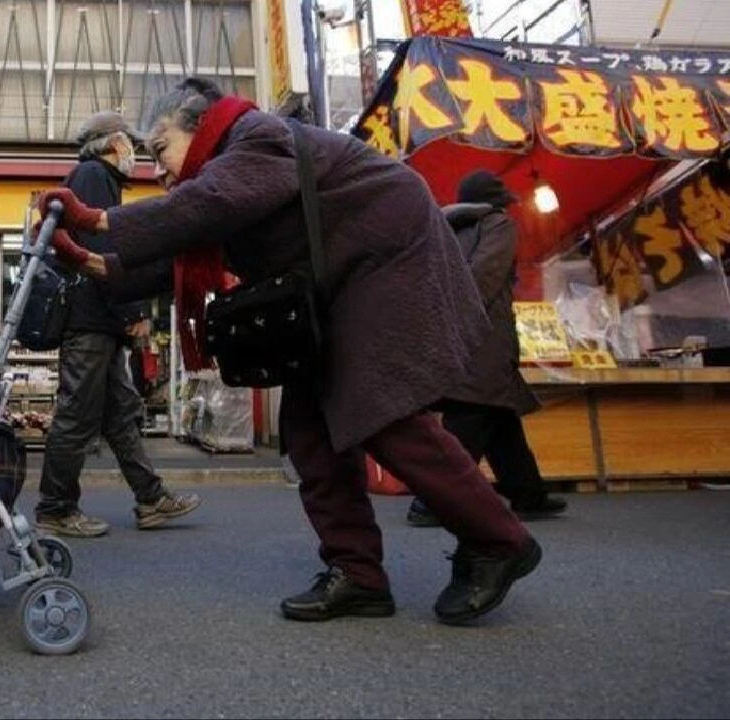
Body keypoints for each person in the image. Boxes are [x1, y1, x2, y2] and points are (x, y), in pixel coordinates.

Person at [37, 78, 541, 626]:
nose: (156, 171)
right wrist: (90, 260)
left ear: (198, 125)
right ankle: (359, 575)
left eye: (160, 150)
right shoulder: (226, 175)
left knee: (380, 411)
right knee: (308, 428)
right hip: (338, 284)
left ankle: (498, 540)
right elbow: (179, 253)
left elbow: (208, 203)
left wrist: (98, 220)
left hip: (388, 260)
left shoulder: (255, 136)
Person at [33, 110, 201, 538]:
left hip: (98, 321)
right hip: (91, 321)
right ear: (111, 143)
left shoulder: (98, 179)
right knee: (76, 415)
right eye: (129, 141)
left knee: (121, 414)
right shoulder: (93, 175)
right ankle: (55, 508)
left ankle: (150, 498)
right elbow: (98, 249)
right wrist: (134, 312)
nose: (134, 151)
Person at [406, 171, 568, 527]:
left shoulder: (444, 228)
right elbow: (485, 277)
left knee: (500, 420)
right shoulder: (498, 224)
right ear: (495, 202)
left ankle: (529, 495)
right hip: (484, 339)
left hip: (453, 339)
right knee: (470, 422)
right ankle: (430, 502)